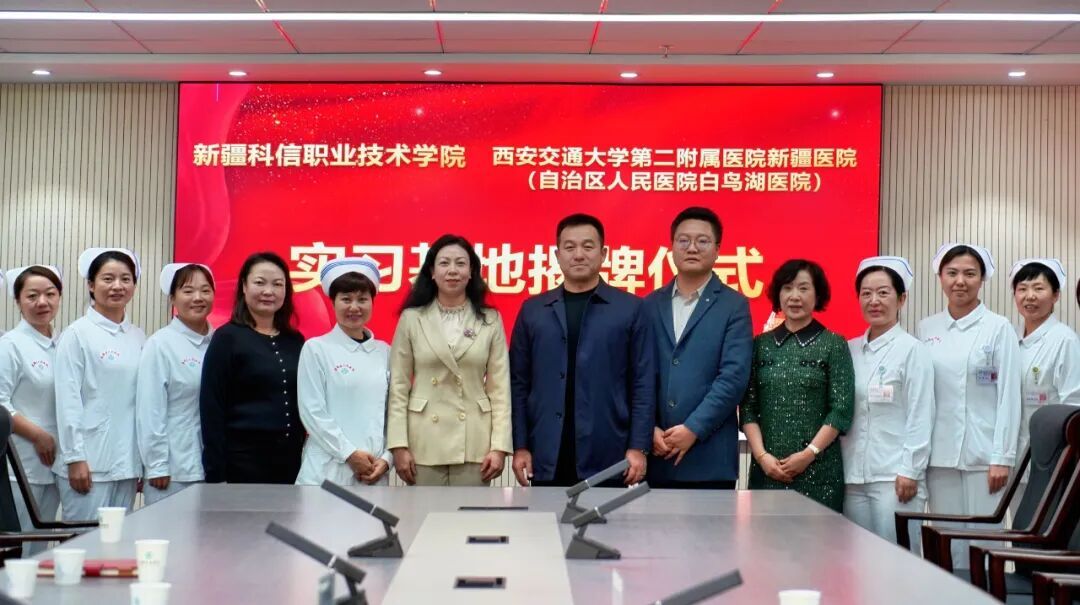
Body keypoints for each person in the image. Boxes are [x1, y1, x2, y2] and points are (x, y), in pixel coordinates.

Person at [510, 214, 655, 487]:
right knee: (545, 516)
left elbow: (643, 384)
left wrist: (639, 446)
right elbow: (518, 384)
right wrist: (521, 446)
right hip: (546, 452)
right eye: (569, 247)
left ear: (604, 254)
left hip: (609, 452)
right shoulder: (533, 310)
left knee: (607, 517)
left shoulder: (631, 309)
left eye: (588, 246)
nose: (578, 254)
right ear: (557, 255)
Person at [918, 243, 1021, 568]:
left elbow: (1009, 396)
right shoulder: (927, 328)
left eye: (969, 274)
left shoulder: (999, 327)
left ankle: (987, 594)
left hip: (984, 457)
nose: (960, 281)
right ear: (940, 278)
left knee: (984, 543)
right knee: (945, 541)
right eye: (952, 273)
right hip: (940, 455)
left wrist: (1002, 457)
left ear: (982, 279)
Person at [386, 236, 511, 486]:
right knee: (423, 512)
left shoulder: (490, 319)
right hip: (423, 440)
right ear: (432, 272)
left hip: (475, 442)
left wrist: (499, 447)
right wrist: (398, 445)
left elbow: (499, 389)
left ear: (471, 271)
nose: (452, 270)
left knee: (470, 512)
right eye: (444, 263)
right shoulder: (411, 319)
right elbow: (398, 386)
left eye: (460, 263)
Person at [642, 207, 752, 489]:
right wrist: (647, 428)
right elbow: (638, 375)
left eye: (702, 241)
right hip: (657, 454)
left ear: (717, 250)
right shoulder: (649, 305)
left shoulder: (734, 306)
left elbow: (733, 378)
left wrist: (693, 428)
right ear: (672, 247)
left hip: (710, 459)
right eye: (684, 240)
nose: (692, 248)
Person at [740, 259, 854, 512]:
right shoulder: (760, 345)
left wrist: (808, 454)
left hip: (819, 472)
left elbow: (841, 410)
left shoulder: (834, 344)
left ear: (817, 295)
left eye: (803, 288)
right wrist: (762, 457)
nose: (794, 296)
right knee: (765, 537)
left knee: (820, 538)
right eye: (787, 288)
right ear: (778, 294)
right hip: (766, 471)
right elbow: (748, 408)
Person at [842, 256, 935, 544]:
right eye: (866, 293)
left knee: (897, 558)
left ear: (901, 299)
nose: (874, 301)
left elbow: (921, 414)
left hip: (894, 477)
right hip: (852, 476)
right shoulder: (849, 350)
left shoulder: (912, 350)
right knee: (857, 558)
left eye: (883, 293)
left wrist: (911, 470)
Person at [54, 248, 145, 519]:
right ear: (91, 285)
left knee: (118, 539)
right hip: (89, 463)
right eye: (108, 279)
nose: (117, 286)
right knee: (83, 539)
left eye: (125, 279)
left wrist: (140, 463)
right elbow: (68, 400)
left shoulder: (138, 336)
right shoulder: (77, 334)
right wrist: (74, 458)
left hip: (127, 463)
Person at [200, 252, 305, 484]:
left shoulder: (295, 340)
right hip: (241, 463)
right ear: (244, 287)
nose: (269, 291)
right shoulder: (227, 338)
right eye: (260, 282)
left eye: (277, 284)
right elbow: (212, 409)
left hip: (290, 464)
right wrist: (216, 473)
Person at [296, 257, 392, 486]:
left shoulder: (385, 352)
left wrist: (387, 459)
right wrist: (350, 454)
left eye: (362, 299)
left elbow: (394, 412)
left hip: (373, 472)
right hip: (326, 471)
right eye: (346, 299)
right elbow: (312, 412)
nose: (354, 307)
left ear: (372, 302)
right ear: (333, 302)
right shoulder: (316, 349)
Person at [135, 263, 215, 505]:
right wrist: (157, 464)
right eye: (188, 291)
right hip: (173, 470)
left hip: (212, 467)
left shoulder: (220, 342)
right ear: (172, 298)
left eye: (205, 290)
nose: (198, 298)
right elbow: (150, 408)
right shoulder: (161, 344)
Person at [0, 265, 64, 550]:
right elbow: (0, 403)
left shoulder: (64, 344)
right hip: (22, 463)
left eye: (50, 294)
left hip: (57, 463)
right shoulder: (10, 345)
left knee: (41, 548)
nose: (42, 302)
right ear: (17, 301)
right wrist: (38, 435)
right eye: (32, 296)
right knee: (21, 547)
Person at [1008, 258, 1080, 512]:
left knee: (1042, 525)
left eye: (1039, 288)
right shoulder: (1009, 338)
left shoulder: (1065, 340)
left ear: (1056, 295)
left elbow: (1072, 406)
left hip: (1051, 459)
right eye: (1022, 289)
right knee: (1016, 524)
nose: (1030, 296)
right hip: (1013, 457)